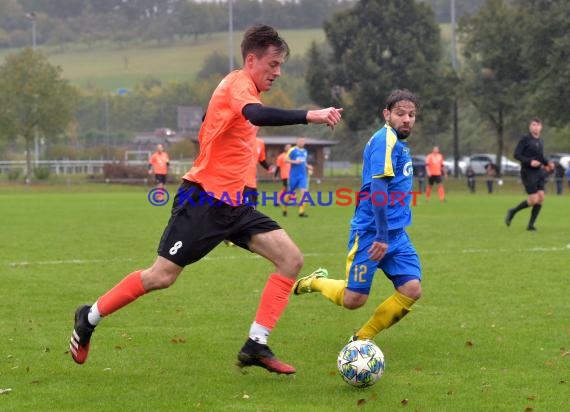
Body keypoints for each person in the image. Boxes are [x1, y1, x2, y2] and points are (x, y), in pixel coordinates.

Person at [69, 24, 343, 375]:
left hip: (235, 207)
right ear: (251, 59)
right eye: (273, 64)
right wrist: (311, 114)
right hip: (202, 201)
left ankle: (255, 344)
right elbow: (255, 115)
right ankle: (88, 317)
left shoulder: (236, 88)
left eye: (280, 66)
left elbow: (217, 126)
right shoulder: (239, 85)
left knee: (291, 259)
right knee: (161, 276)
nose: (277, 72)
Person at [293, 89, 422, 345]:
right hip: (372, 235)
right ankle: (317, 281)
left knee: (411, 290)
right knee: (354, 300)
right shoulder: (385, 140)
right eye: (400, 114)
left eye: (412, 114)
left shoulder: (399, 143)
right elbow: (378, 190)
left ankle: (361, 339)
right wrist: (382, 236)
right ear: (387, 114)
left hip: (396, 235)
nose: (407, 119)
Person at [505, 117, 553, 231]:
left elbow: (540, 157)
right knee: (533, 200)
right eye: (533, 125)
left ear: (541, 127)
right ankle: (513, 211)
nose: (535, 127)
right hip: (528, 172)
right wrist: (530, 162)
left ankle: (530, 225)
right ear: (530, 127)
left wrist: (548, 163)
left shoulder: (540, 141)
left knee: (541, 197)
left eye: (537, 125)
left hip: (539, 172)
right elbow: (516, 155)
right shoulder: (525, 139)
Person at [283, 137, 311, 217]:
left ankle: (301, 212)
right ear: (297, 141)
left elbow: (304, 161)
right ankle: (285, 208)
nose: (302, 142)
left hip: (303, 176)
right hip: (293, 176)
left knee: (304, 192)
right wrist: (294, 161)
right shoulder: (292, 150)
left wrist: (308, 166)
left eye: (303, 141)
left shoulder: (305, 151)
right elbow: (285, 160)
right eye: (300, 140)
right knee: (289, 193)